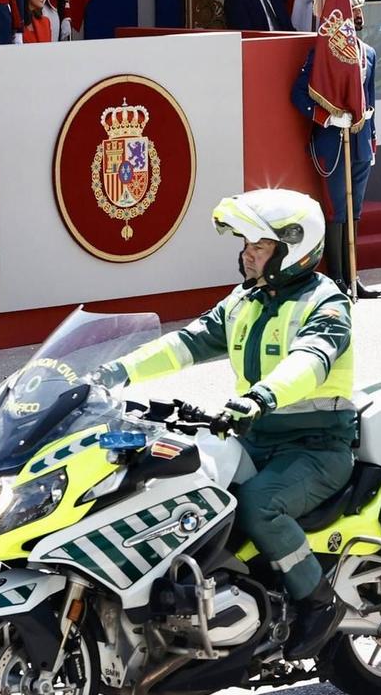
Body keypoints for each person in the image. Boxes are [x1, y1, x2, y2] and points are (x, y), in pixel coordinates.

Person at [96, 190, 353, 661]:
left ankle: (318, 604)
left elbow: (309, 362)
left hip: (315, 447)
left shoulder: (327, 303)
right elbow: (185, 344)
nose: (246, 254)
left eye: (259, 245)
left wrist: (262, 397)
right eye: (246, 244)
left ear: (292, 247)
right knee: (181, 489)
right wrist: (116, 371)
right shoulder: (245, 301)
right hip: (254, 439)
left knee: (260, 506)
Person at [293, 0, 379, 298]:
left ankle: (354, 276)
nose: (356, 15)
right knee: (338, 211)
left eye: (357, 10)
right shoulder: (321, 54)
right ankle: (338, 279)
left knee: (355, 209)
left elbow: (371, 101)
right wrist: (326, 118)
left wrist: (372, 139)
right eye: (352, 9)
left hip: (359, 141)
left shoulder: (367, 53)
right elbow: (298, 94)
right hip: (332, 140)